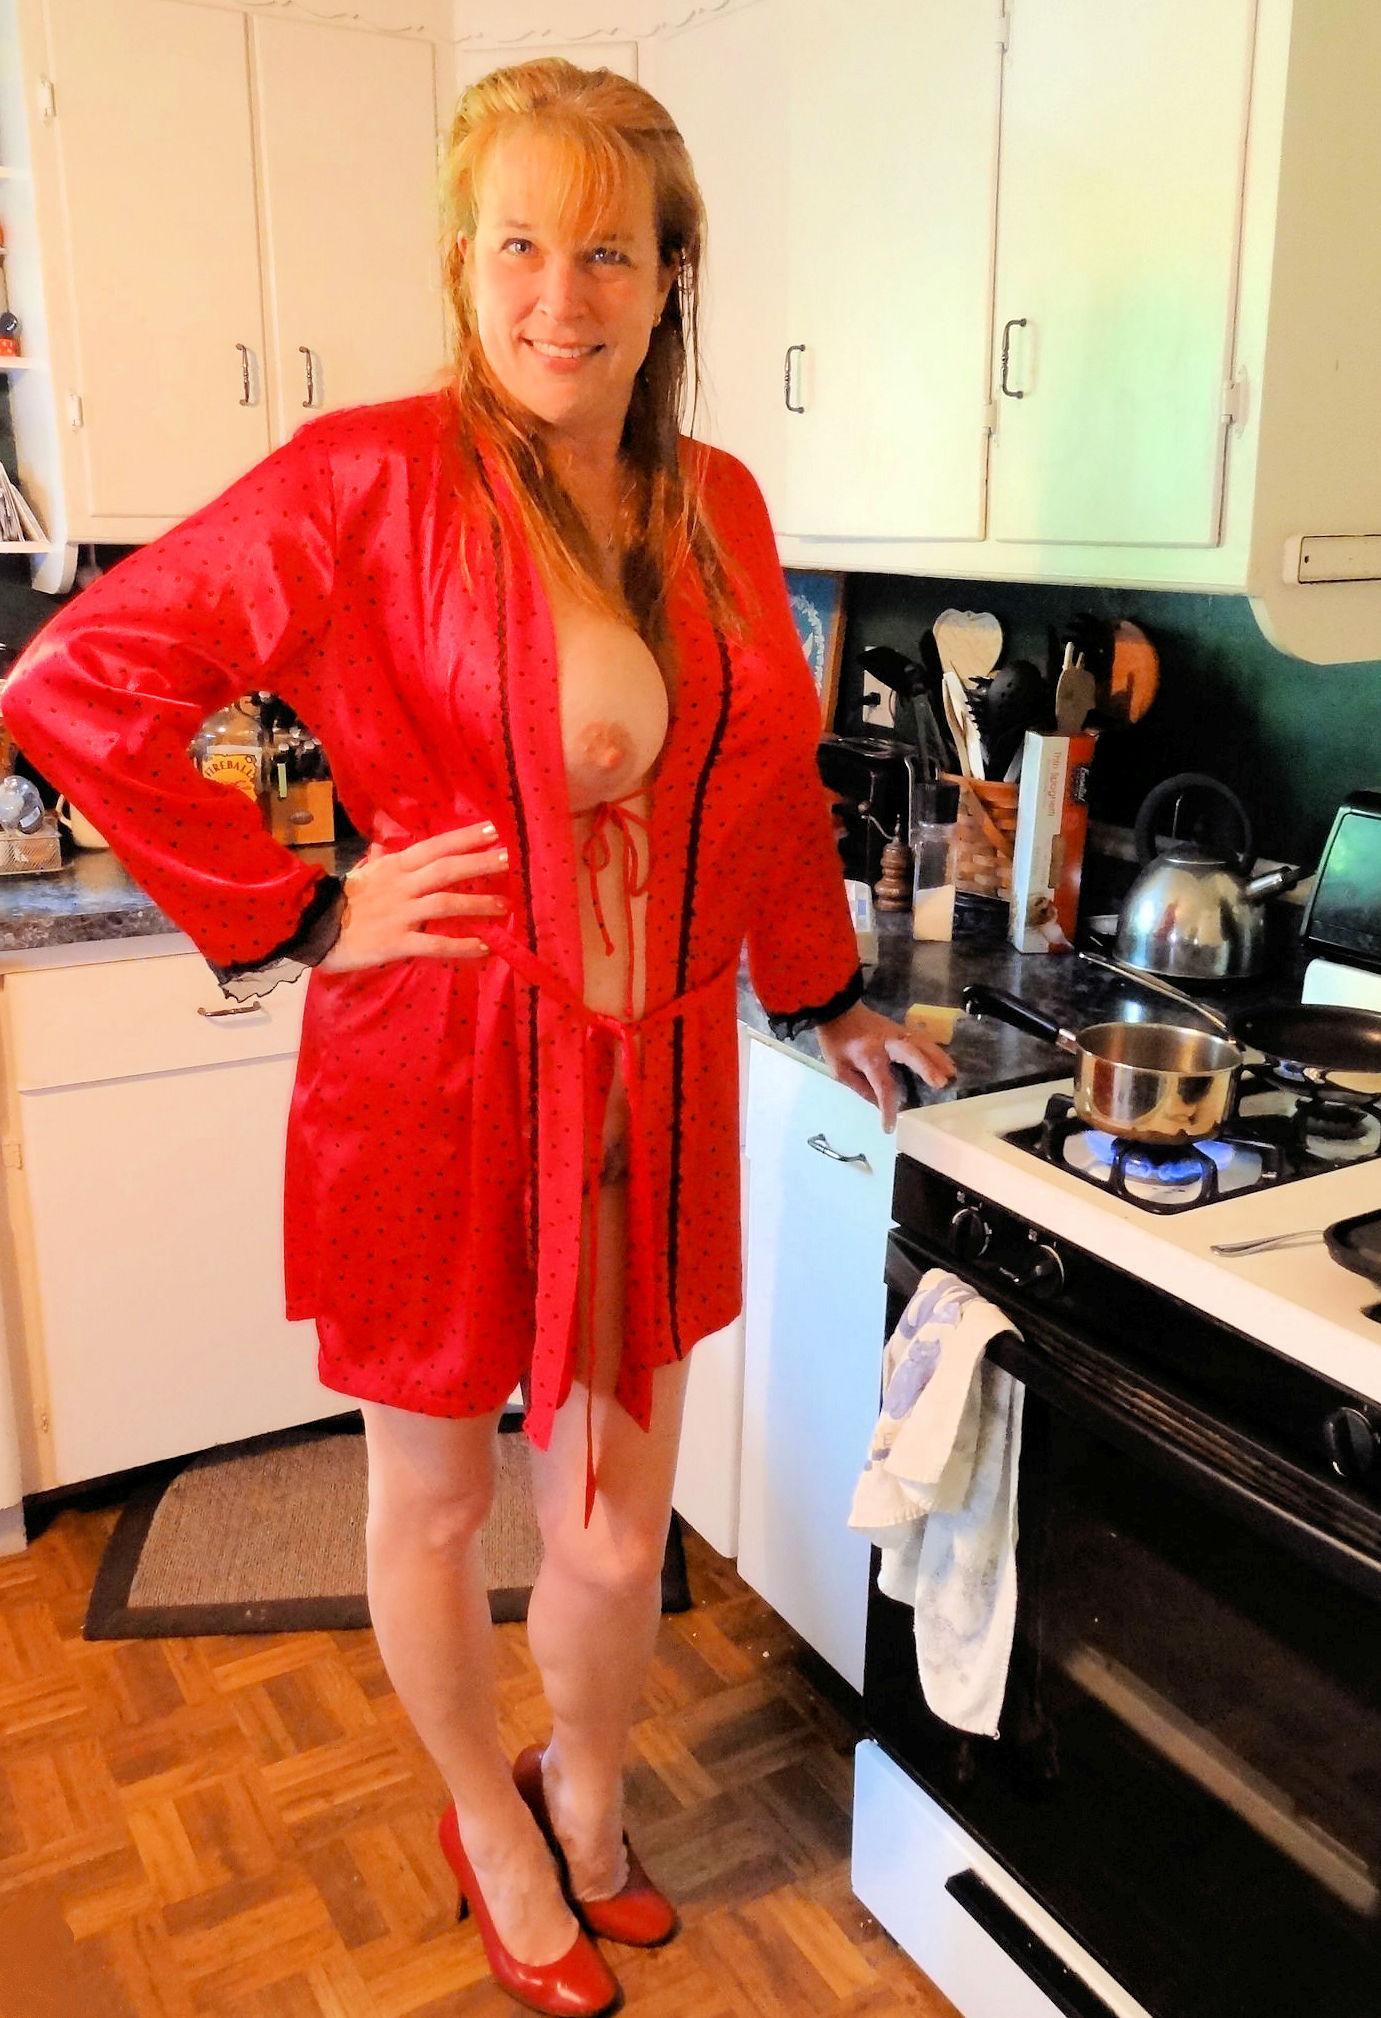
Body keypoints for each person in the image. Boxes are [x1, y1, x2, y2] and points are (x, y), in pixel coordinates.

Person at [0, 58, 954, 2016]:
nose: (558, 293)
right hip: (434, 1081)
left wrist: (822, 989)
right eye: (517, 243)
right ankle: (486, 1822)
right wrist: (303, 904)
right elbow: (79, 677)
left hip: (651, 1090)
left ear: (672, 276)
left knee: (608, 1532)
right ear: (461, 261)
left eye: (606, 250)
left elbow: (766, 784)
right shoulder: (369, 482)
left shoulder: (717, 503)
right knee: (436, 1507)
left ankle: (585, 1797)